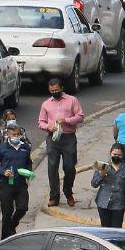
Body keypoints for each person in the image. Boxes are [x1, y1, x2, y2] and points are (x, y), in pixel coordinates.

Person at [37, 77, 84, 207]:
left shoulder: (72, 100)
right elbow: (40, 122)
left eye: (56, 90)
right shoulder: (46, 104)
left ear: (62, 88)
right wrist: (48, 127)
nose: (54, 92)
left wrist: (66, 120)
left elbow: (80, 117)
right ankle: (54, 196)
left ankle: (68, 191)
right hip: (53, 138)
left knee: (69, 167)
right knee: (52, 168)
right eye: (52, 90)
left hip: (68, 137)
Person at [0, 120, 33, 239]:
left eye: (18, 134)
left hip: (21, 184)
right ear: (8, 135)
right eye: (13, 135)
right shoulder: (2, 149)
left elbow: (28, 163)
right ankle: (4, 239)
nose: (16, 137)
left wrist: (29, 172)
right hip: (6, 185)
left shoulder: (25, 148)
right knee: (7, 213)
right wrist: (3, 172)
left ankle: (12, 226)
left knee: (22, 208)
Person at [91, 143, 125, 228]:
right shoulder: (102, 165)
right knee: (105, 229)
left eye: (119, 155)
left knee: (116, 229)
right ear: (110, 153)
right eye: (114, 154)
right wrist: (102, 175)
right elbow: (94, 184)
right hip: (103, 203)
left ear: (123, 156)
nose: (116, 156)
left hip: (118, 204)